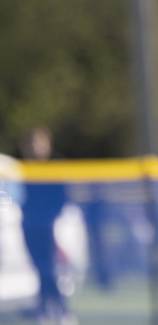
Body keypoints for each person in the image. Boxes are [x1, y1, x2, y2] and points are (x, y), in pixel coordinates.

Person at [19, 127, 76, 325]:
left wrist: (54, 219)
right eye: (34, 143)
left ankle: (59, 309)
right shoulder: (24, 168)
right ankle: (45, 308)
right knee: (40, 268)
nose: (37, 148)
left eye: (41, 143)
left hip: (49, 226)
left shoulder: (56, 166)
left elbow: (62, 198)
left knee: (48, 268)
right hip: (29, 225)